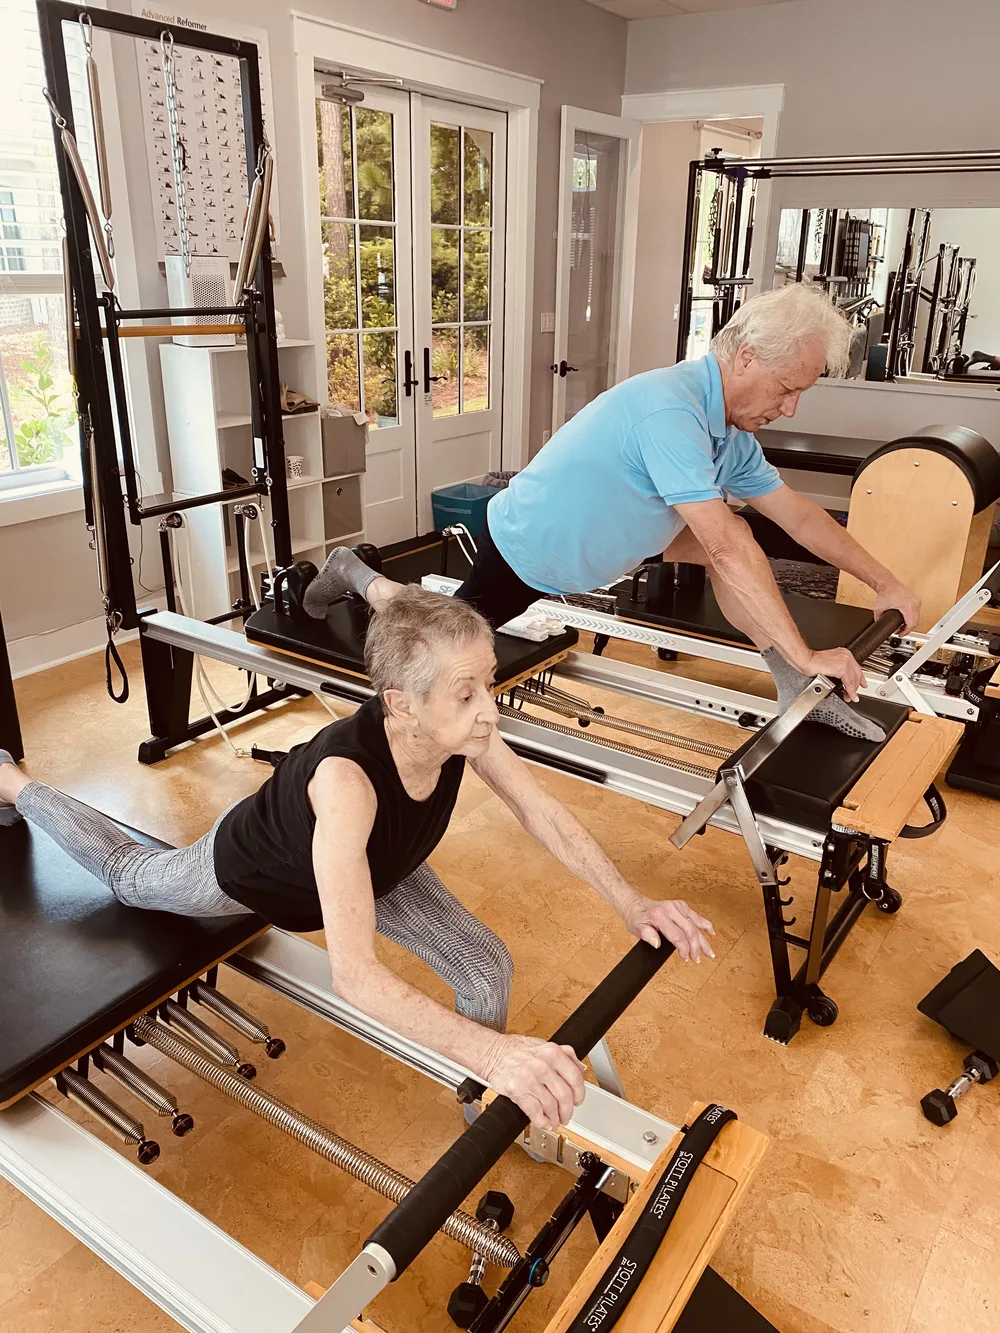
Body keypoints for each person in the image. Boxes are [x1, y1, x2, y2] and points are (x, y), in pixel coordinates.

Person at [0, 588, 714, 1131]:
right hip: (254, 867)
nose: (489, 709)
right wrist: (499, 1053)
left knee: (485, 966)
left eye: (487, 683)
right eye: (467, 693)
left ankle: (482, 1107)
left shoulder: (468, 727)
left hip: (375, 864)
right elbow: (356, 976)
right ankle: (13, 782)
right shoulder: (347, 784)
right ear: (401, 705)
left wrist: (634, 902)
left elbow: (544, 814)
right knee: (131, 879)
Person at [307, 285, 921, 744]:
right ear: (745, 358)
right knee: (426, 633)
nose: (789, 408)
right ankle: (358, 575)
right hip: (527, 553)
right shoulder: (670, 412)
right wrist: (812, 652)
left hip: (606, 544)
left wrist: (885, 581)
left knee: (724, 543)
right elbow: (731, 545)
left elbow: (801, 518)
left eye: (800, 394)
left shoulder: (726, 434)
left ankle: (790, 681)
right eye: (787, 387)